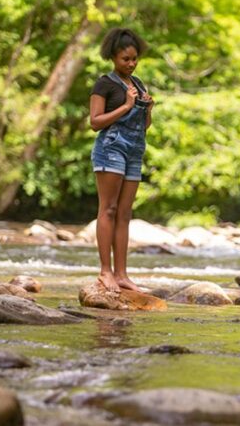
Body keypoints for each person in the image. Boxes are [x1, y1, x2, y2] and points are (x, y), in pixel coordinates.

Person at [89, 28, 154, 293]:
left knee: (125, 214)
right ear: (113, 57)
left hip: (135, 151)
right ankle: (105, 272)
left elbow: (145, 125)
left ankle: (122, 274)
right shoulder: (104, 84)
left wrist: (147, 109)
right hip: (110, 149)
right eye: (125, 59)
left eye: (134, 58)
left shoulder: (138, 84)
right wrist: (126, 106)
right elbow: (95, 122)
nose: (131, 63)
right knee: (109, 209)